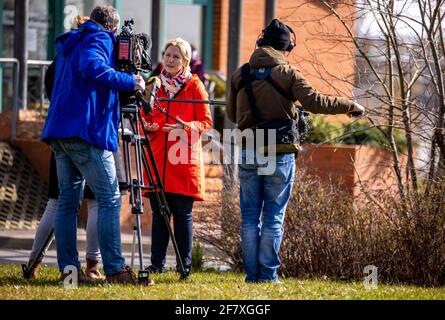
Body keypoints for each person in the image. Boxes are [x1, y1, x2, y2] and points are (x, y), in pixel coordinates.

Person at [227, 19, 365, 283]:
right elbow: (315, 102)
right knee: (273, 216)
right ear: (286, 47)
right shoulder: (288, 73)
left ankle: (252, 276)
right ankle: (267, 276)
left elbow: (232, 114)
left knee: (249, 218)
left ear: (260, 42)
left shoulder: (239, 74)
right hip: (278, 151)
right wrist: (349, 104)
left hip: (248, 151)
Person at [41, 5, 146, 285]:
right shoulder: (99, 38)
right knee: (110, 197)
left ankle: (69, 273)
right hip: (84, 131)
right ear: (112, 28)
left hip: (59, 132)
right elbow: (92, 66)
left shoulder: (72, 40)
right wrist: (130, 81)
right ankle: (115, 269)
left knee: (67, 203)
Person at [23, 16, 103, 282]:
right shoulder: (98, 49)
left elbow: (49, 91)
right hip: (90, 135)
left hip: (59, 133)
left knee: (57, 203)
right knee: (97, 202)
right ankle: (93, 267)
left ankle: (35, 264)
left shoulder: (62, 52)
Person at [141, 38, 212, 279]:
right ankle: (157, 265)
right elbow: (142, 116)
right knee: (160, 216)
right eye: (167, 55)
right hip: (157, 157)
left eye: (175, 57)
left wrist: (186, 126)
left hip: (182, 159)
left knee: (182, 216)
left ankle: (185, 267)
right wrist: (148, 127)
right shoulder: (154, 83)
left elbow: (206, 122)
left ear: (185, 61)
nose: (170, 60)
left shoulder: (195, 85)